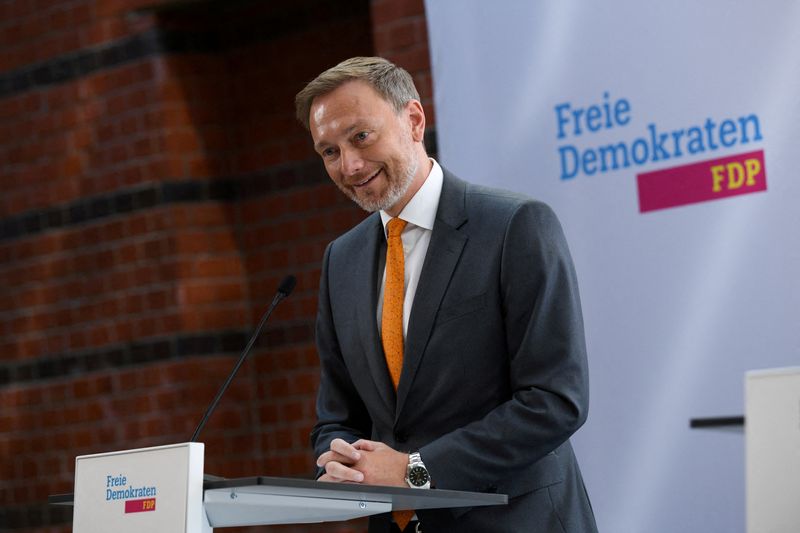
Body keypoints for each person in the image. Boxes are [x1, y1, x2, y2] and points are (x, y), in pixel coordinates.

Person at [295, 56, 597, 533]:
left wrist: (416, 470)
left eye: (360, 137)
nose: (349, 165)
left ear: (413, 120)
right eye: (328, 151)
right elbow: (337, 415)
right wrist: (338, 460)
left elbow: (555, 399)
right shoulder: (341, 261)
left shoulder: (514, 226)